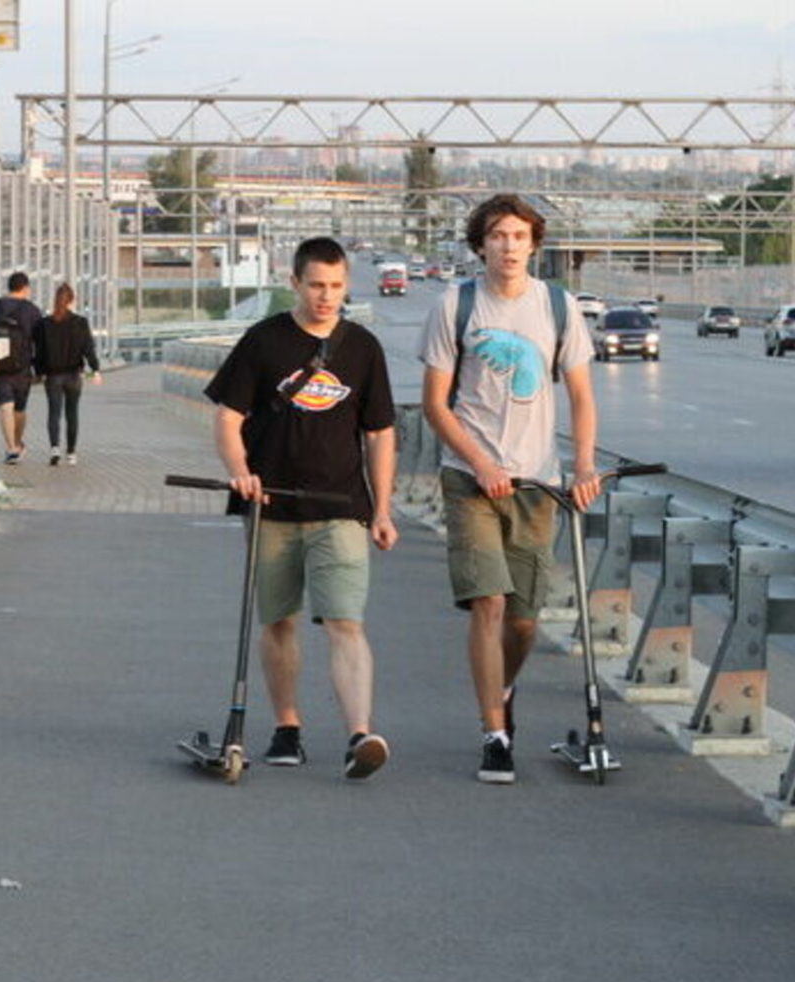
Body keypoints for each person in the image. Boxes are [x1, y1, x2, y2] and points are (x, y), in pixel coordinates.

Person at [419, 193, 602, 785]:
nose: (509, 246)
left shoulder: (558, 307)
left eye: (519, 236)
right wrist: (479, 462)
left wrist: (584, 467)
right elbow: (434, 404)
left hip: (537, 481)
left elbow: (581, 396)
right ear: (481, 245)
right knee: (489, 603)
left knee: (523, 620)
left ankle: (501, 687)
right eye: (497, 235)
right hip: (469, 478)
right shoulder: (457, 305)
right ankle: (494, 734)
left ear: (534, 244)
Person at [204, 236, 399, 780]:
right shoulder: (263, 341)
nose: (326, 296)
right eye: (316, 285)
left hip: (341, 505)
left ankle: (359, 735)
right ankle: (287, 726)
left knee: (345, 620)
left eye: (336, 286)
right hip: (271, 506)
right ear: (294, 283)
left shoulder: (362, 348)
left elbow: (380, 433)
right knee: (279, 621)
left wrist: (383, 509)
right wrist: (240, 470)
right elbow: (227, 418)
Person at [32, 282, 103, 466]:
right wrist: (95, 369)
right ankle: (71, 453)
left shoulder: (44, 324)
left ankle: (55, 448)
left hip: (52, 376)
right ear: (72, 300)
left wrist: (39, 372)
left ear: (55, 300)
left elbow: (39, 352)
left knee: (54, 413)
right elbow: (88, 348)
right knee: (72, 414)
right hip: (73, 375)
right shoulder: (80, 323)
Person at [0, 271, 43, 464]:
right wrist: (39, 368)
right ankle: (16, 443)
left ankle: (11, 448)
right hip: (22, 367)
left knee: (5, 405)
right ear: (25, 288)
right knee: (20, 409)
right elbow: (40, 341)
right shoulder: (32, 310)